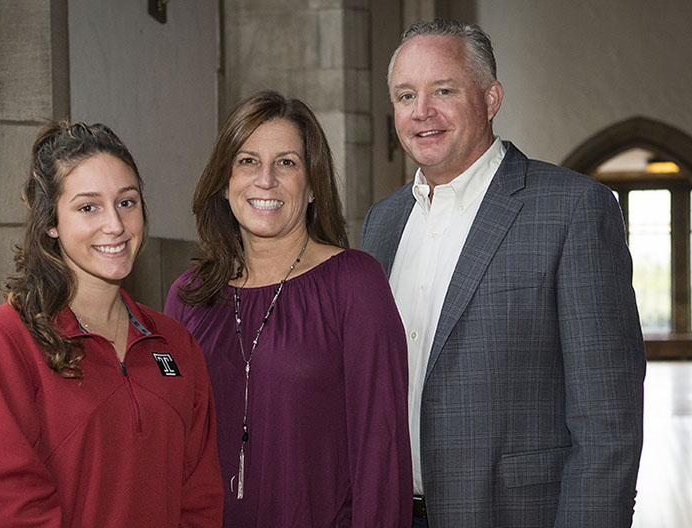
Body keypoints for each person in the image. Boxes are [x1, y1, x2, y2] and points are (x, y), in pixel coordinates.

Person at [360, 19, 646, 527]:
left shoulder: (572, 209)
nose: (421, 112)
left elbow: (609, 427)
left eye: (442, 90)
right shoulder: (382, 222)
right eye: (406, 96)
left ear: (491, 98)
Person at [0, 121, 223, 527]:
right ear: (51, 223)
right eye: (88, 207)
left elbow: (200, 500)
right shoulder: (6, 340)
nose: (115, 224)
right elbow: (7, 507)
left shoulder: (177, 343)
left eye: (127, 202)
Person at [164, 91, 412, 526]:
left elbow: (381, 450)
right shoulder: (188, 298)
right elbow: (171, 451)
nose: (266, 180)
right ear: (224, 181)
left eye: (287, 163)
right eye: (247, 161)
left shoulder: (354, 283)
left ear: (313, 185)